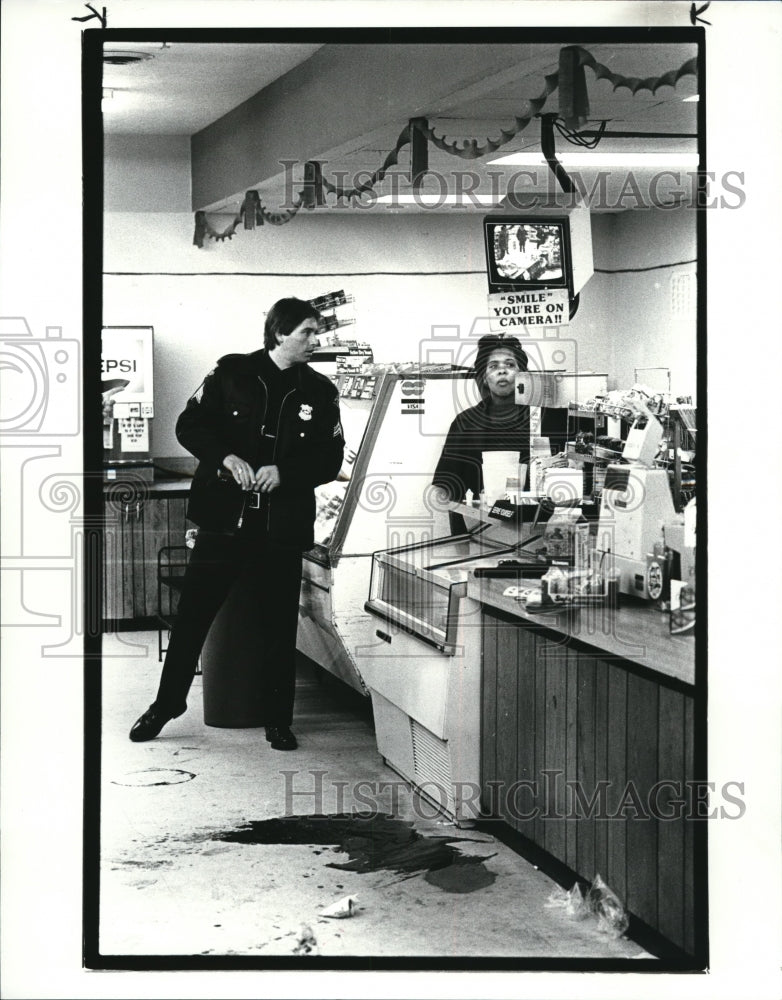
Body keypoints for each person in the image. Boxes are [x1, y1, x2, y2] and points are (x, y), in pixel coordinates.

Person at [129, 297, 345, 750]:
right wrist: (224, 457)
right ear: (279, 332)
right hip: (222, 523)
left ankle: (277, 720)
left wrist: (286, 473)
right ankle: (166, 705)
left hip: (281, 530)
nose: (315, 340)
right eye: (307, 331)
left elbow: (330, 456)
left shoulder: (320, 392)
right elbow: (189, 424)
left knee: (278, 628)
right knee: (192, 620)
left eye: (317, 331)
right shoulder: (231, 373)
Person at [433, 334, 530, 532]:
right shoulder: (465, 423)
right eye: (493, 366)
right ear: (484, 378)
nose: (502, 370)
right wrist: (459, 538)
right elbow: (451, 489)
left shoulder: (541, 418)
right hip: (480, 531)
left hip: (533, 528)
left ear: (523, 374)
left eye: (510, 365)